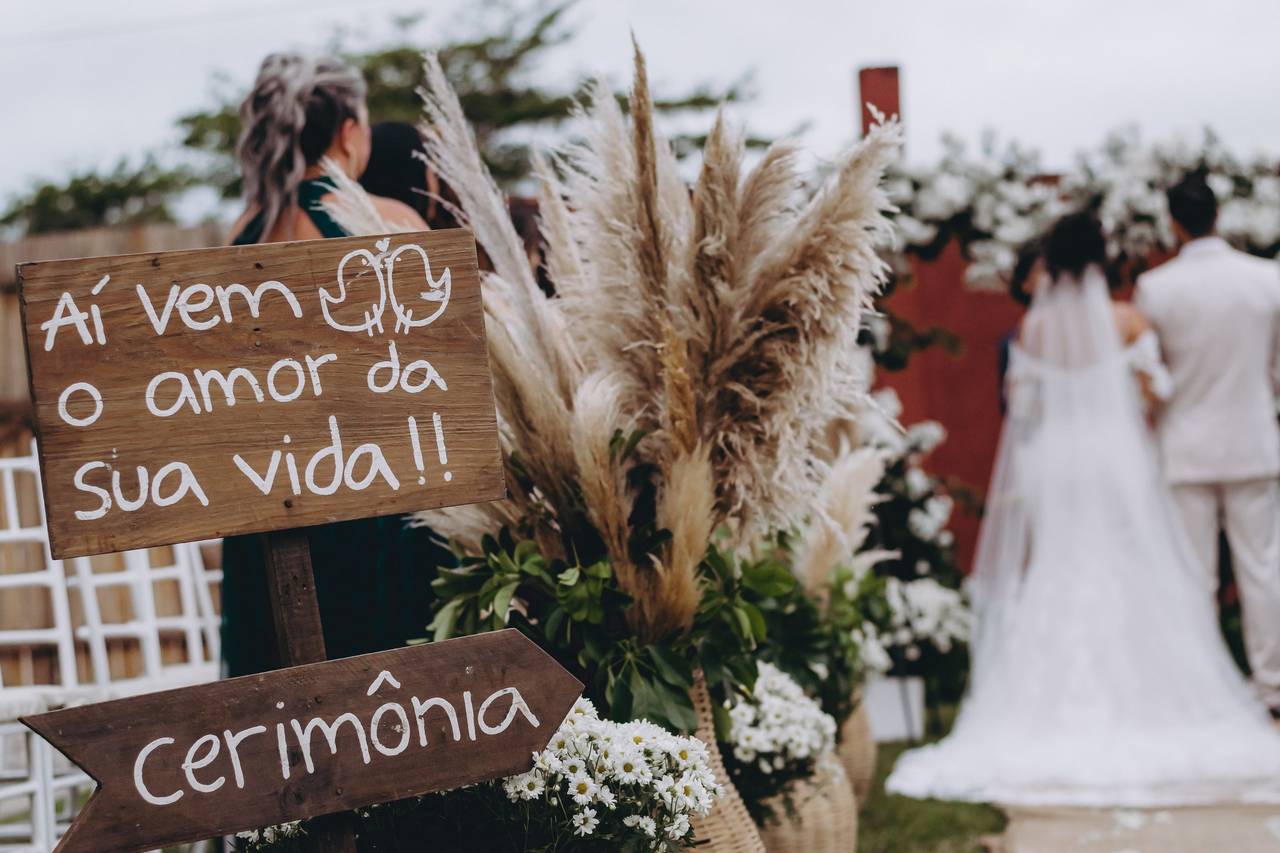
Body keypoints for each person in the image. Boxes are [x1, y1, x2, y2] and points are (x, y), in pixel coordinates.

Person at [886, 212, 1280, 807]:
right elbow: (1157, 388)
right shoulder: (1124, 319)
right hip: (1113, 459)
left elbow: (1023, 405)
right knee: (1131, 565)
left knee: (1061, 564)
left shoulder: (1036, 327)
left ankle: (1051, 706)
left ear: (1053, 261)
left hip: (1059, 462)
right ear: (1102, 258)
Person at [221, 54, 450, 677]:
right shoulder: (390, 224)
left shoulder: (241, 236)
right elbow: (444, 379)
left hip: (268, 516)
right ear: (350, 131)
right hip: (381, 506)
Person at [1135, 174, 1280, 717]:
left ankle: (1200, 691)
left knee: (1195, 574)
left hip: (1186, 449)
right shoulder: (1267, 279)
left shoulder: (1157, 288)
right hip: (1253, 442)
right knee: (1263, 569)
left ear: (1173, 222)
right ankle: (1273, 687)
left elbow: (1151, 378)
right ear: (1218, 214)